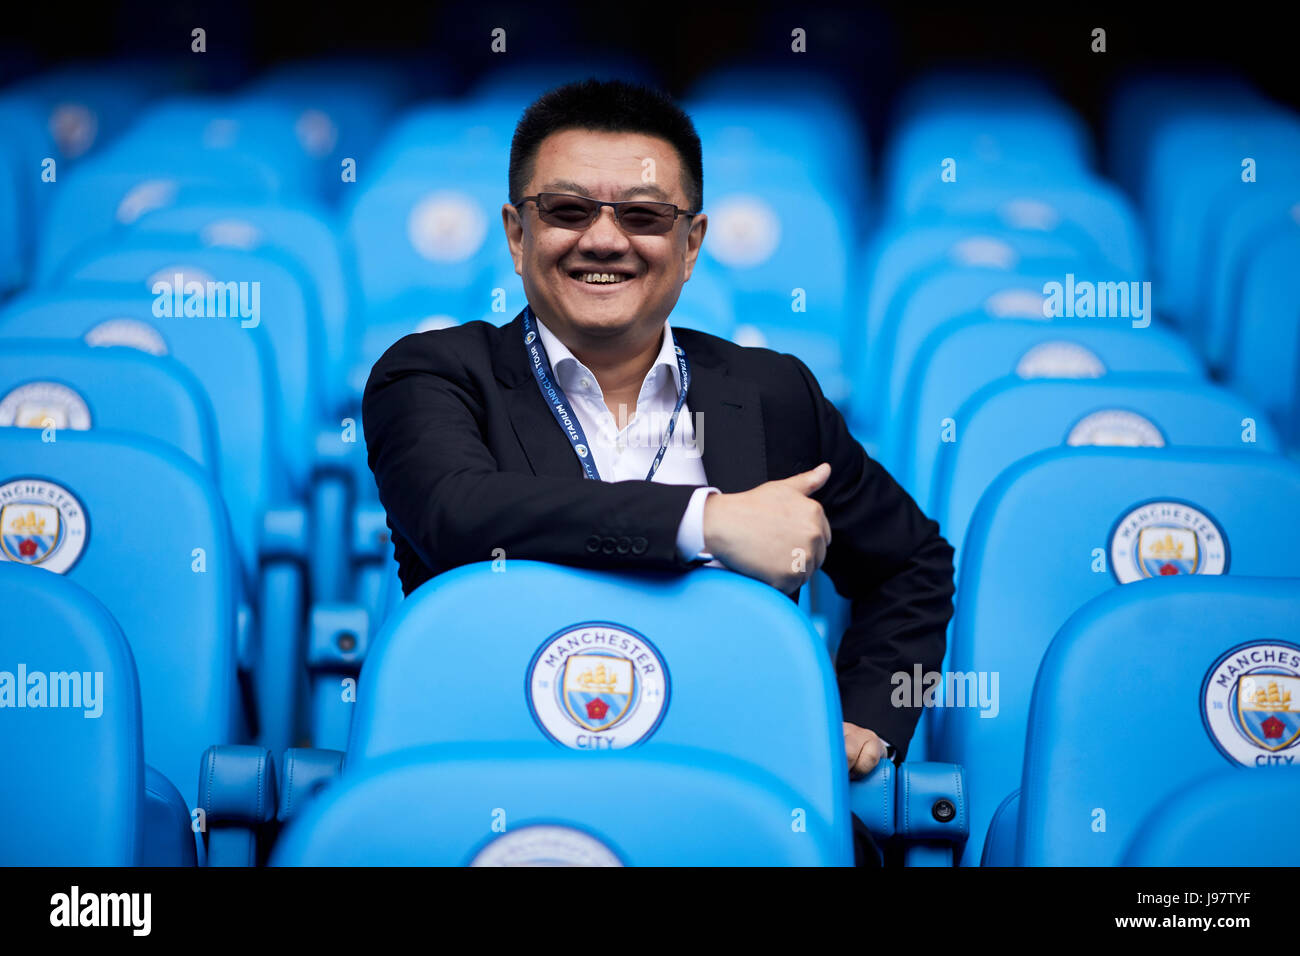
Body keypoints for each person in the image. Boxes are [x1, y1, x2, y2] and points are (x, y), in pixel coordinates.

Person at [363, 79, 955, 859]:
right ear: (516, 233)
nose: (604, 240)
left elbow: (912, 561)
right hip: (499, 795)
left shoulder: (771, 391)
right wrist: (706, 522)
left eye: (643, 217)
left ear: (692, 243)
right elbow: (457, 514)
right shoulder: (436, 373)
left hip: (730, 802)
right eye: (568, 211)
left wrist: (863, 717)